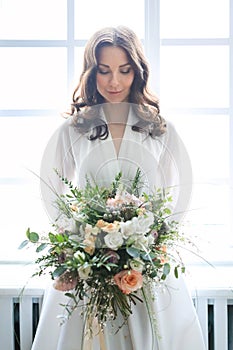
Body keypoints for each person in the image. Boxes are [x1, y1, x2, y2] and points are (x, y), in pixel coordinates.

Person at [32, 26, 206, 350]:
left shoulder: (158, 129)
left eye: (125, 71)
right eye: (105, 70)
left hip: (147, 270)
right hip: (89, 268)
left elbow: (178, 191)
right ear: (91, 71)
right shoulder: (74, 129)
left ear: (137, 72)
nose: (115, 82)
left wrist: (156, 239)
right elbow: (51, 191)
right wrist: (76, 240)